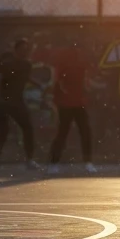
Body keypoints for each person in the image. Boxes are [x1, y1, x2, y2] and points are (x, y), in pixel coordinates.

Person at [0, 38, 40, 171]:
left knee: (27, 127)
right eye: (22, 49)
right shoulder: (8, 61)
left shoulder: (26, 65)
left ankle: (29, 160)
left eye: (26, 49)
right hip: (3, 101)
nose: (25, 52)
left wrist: (38, 84)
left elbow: (24, 78)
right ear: (16, 49)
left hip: (16, 101)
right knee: (4, 130)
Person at [48, 40, 97, 174]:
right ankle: (54, 163)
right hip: (66, 105)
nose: (76, 53)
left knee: (84, 132)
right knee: (63, 133)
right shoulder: (63, 67)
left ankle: (88, 162)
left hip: (78, 104)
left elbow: (86, 83)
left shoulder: (81, 66)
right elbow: (58, 83)